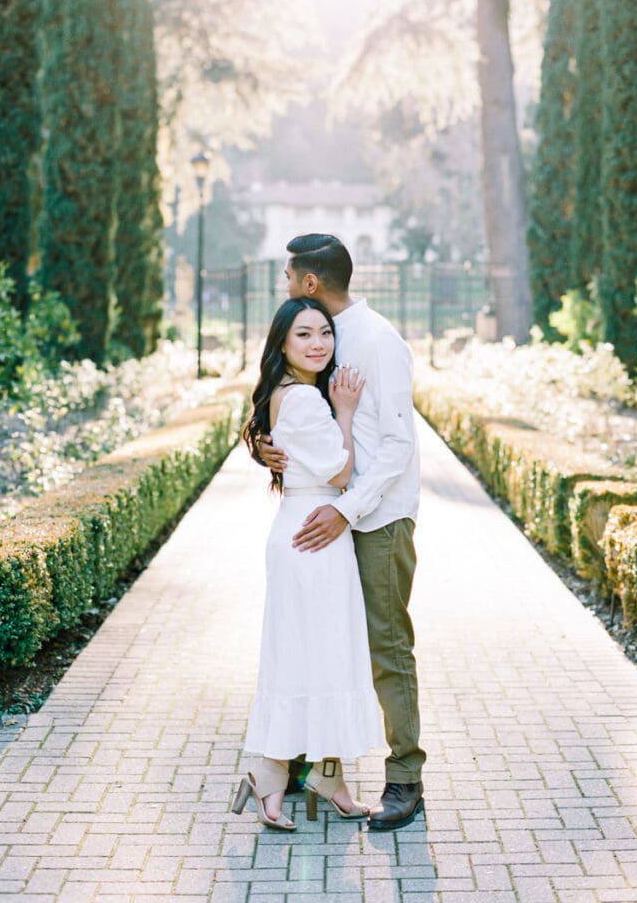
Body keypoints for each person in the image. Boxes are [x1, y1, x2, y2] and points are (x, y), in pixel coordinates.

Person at [258, 233, 426, 832]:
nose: (284, 286)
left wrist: (347, 510)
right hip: (329, 514)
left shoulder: (378, 340)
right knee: (327, 643)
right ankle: (315, 768)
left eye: (287, 277)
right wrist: (265, 448)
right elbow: (287, 411)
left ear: (309, 281)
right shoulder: (313, 332)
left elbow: (400, 444)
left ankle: (405, 778)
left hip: (376, 517)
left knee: (385, 647)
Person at [233, 296, 384, 831]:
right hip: (315, 534)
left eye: (324, 333)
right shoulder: (306, 401)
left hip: (300, 528)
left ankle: (290, 778)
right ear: (281, 343)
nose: (318, 343)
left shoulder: (286, 394)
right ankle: (297, 775)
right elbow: (342, 474)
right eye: (303, 335)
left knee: (303, 654)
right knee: (321, 654)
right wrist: (343, 411)